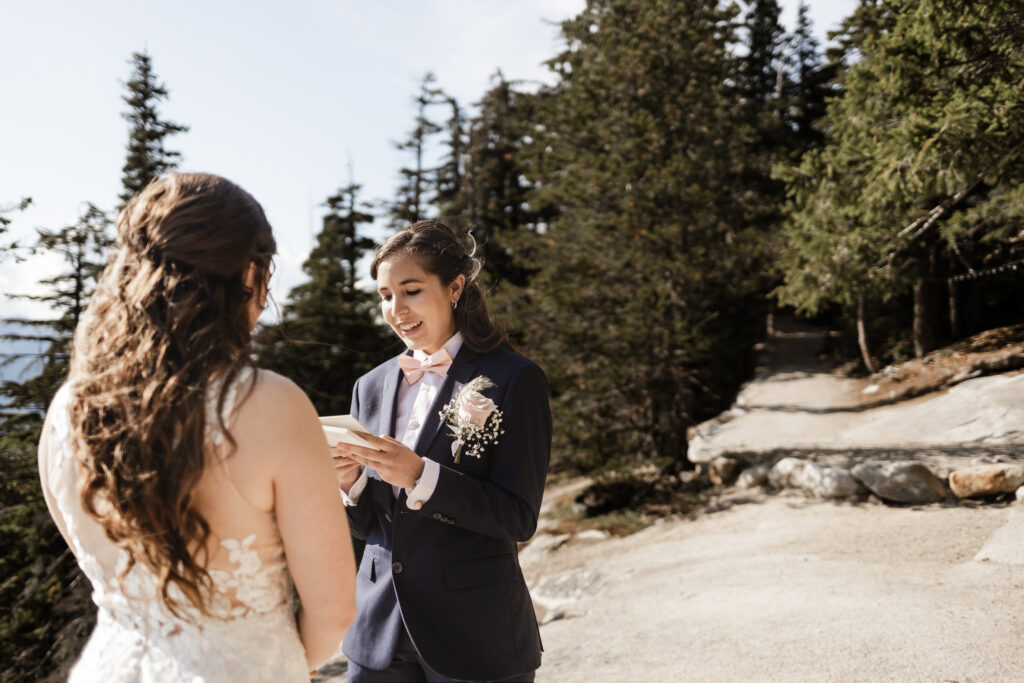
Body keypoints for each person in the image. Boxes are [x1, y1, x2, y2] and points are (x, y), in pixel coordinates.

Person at [37, 172, 357, 682]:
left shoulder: (69, 408)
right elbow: (335, 609)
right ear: (248, 274)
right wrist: (278, 661)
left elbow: (99, 565)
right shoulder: (268, 403)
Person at [332, 220, 552, 682]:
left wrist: (420, 475)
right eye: (385, 295)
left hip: (476, 634)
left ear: (454, 287)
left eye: (410, 290)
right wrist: (349, 485)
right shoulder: (368, 388)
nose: (396, 310)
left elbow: (517, 517)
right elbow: (371, 528)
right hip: (378, 635)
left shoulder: (513, 379)